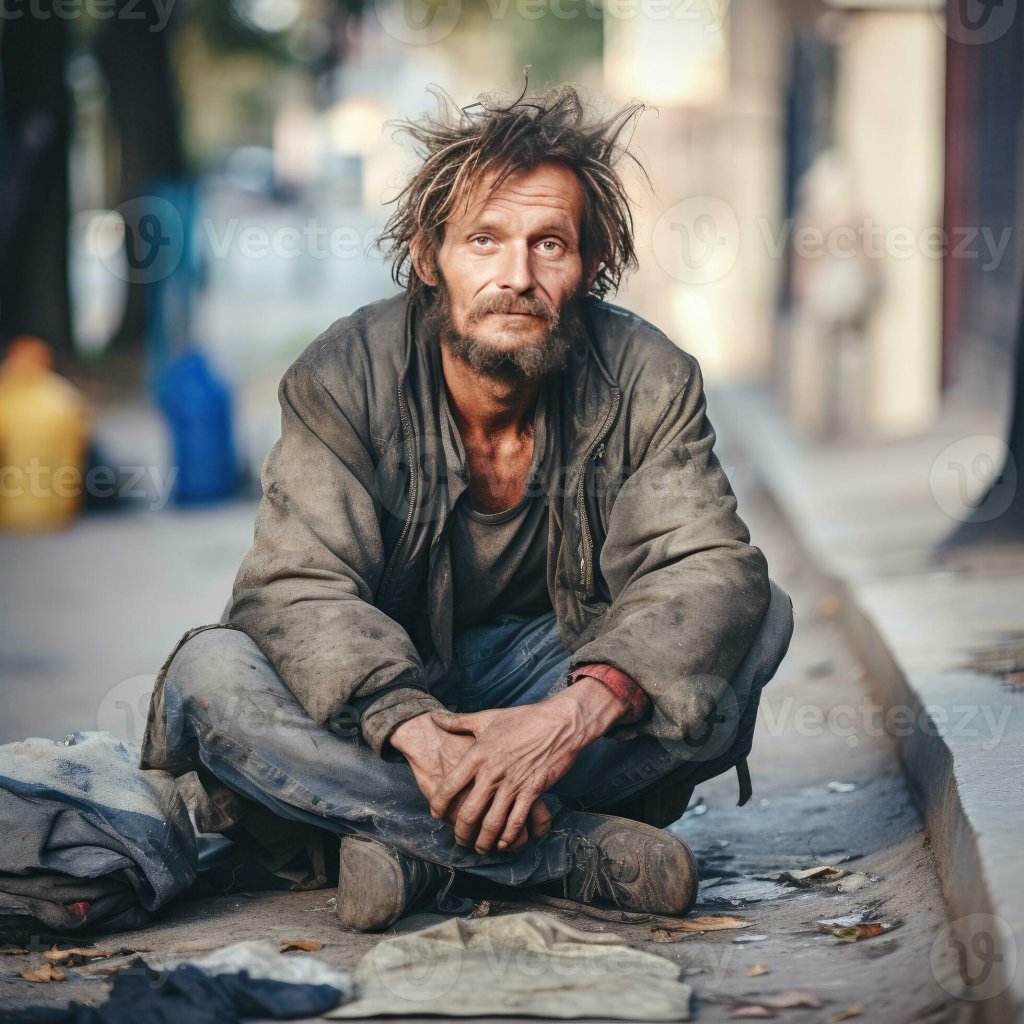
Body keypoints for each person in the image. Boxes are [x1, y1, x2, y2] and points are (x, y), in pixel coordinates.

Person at [141, 81, 795, 932]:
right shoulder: (344, 375)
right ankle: (554, 853)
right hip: (382, 709)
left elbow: (704, 566)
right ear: (429, 256)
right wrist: (410, 727)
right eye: (484, 240)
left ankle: (399, 845)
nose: (515, 277)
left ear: (590, 265)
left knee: (756, 617)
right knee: (211, 673)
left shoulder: (648, 377)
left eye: (548, 244)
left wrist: (568, 717)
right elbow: (296, 588)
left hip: (545, 686)